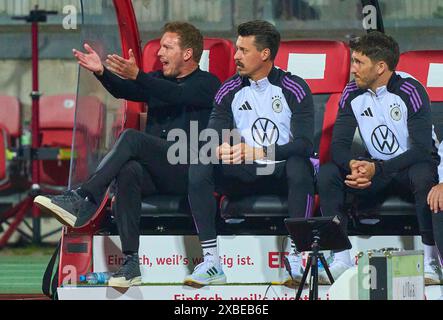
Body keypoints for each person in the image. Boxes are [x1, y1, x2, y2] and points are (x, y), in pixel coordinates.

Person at [34, 22, 221, 288]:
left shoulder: (208, 84)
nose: (160, 53)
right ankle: (131, 261)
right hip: (159, 174)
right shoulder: (157, 79)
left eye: (167, 47)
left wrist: (139, 76)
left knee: (132, 138)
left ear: (188, 54)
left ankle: (83, 197)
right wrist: (101, 72)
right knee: (128, 170)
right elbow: (126, 90)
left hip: (190, 172)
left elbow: (176, 94)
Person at [184, 20, 315, 288]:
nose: (236, 56)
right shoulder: (229, 88)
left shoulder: (294, 88)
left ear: (264, 54)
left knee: (300, 164)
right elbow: (211, 136)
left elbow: (303, 144)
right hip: (244, 171)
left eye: (243, 50)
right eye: (236, 49)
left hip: (281, 170)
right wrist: (218, 147)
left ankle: (296, 255)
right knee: (201, 163)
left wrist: (259, 150)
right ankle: (211, 262)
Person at [318, 31, 443, 285]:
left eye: (359, 62)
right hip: (376, 169)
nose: (353, 69)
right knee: (329, 173)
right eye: (352, 61)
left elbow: (422, 150)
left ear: (380, 67)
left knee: (423, 174)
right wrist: (354, 165)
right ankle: (340, 258)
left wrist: (378, 169)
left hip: (409, 167)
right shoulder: (352, 91)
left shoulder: (411, 90)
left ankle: (431, 261)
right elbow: (339, 145)